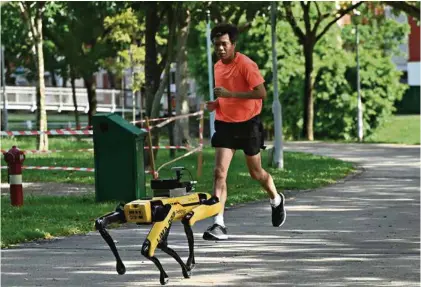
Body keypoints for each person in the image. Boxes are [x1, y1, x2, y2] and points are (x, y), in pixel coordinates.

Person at [203, 23, 286, 241]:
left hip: (248, 124)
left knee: (256, 173)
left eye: (224, 44)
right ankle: (218, 223)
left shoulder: (246, 65)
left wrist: (230, 94)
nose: (220, 49)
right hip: (225, 124)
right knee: (219, 172)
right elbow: (225, 97)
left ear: (233, 44)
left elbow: (261, 93)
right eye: (216, 45)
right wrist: (216, 103)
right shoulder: (217, 66)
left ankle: (276, 199)